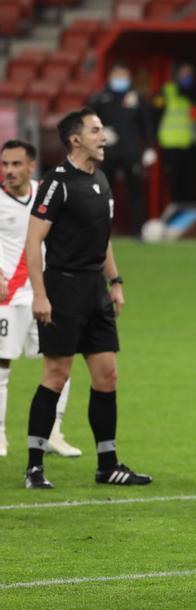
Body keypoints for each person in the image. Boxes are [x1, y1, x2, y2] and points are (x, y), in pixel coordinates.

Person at [22, 108, 149, 488]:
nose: (103, 137)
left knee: (107, 375)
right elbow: (33, 241)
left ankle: (107, 464)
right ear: (75, 139)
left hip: (95, 289)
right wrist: (40, 296)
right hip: (62, 288)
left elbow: (102, 238)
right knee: (56, 375)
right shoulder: (57, 182)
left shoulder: (103, 180)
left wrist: (116, 281)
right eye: (95, 131)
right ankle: (33, 466)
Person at [0, 141, 85, 460]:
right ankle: (0, 435)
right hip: (7, 297)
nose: (9, 171)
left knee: (60, 363)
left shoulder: (47, 195)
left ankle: (52, 432)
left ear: (31, 166)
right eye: (5, 164)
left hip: (44, 294)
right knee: (2, 367)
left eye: (16, 164)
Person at [87, 63, 154, 236]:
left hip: (131, 151)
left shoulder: (137, 98)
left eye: (123, 74)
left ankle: (138, 231)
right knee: (103, 192)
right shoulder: (101, 97)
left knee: (135, 191)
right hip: (107, 151)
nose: (120, 78)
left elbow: (146, 124)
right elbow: (87, 122)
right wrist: (101, 131)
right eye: (117, 74)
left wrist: (149, 148)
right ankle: (100, 231)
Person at [153, 62, 196, 209]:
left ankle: (191, 212)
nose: (187, 77)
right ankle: (176, 212)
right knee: (175, 182)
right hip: (171, 144)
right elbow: (155, 113)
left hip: (191, 144)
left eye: (190, 74)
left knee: (192, 182)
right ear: (177, 75)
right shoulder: (167, 91)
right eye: (184, 73)